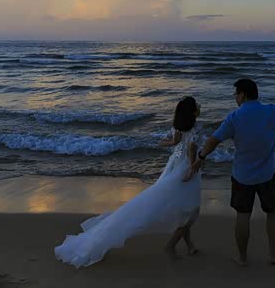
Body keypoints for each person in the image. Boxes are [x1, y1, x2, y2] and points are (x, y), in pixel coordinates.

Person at [55, 97, 203, 266]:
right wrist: (191, 169)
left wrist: (174, 142)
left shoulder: (178, 127)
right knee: (190, 211)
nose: (199, 106)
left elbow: (165, 142)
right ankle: (170, 247)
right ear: (192, 112)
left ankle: (189, 245)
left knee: (184, 209)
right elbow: (191, 150)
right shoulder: (197, 128)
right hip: (185, 170)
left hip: (173, 167)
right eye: (197, 105)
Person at [185, 79, 275, 267]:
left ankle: (242, 257)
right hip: (267, 174)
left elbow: (214, 140)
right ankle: (273, 255)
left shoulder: (235, 117)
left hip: (242, 176)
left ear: (243, 94)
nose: (235, 98)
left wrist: (201, 157)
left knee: (243, 215)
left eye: (236, 94)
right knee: (273, 212)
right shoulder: (271, 111)